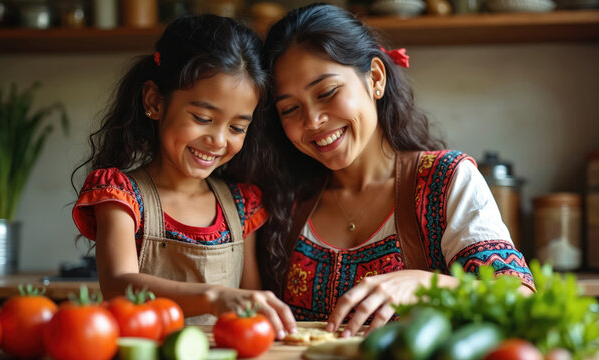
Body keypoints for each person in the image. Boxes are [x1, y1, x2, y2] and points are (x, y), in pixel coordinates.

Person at [257, 3, 535, 337]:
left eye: (327, 92)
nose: (313, 121)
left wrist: (425, 285)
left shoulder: (445, 181)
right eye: (290, 109)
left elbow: (519, 300)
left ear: (375, 78)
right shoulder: (283, 200)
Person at [71, 14, 296, 337]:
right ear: (154, 101)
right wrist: (213, 296)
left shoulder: (242, 204)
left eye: (236, 127)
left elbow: (250, 304)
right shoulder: (121, 195)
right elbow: (119, 285)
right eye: (203, 118)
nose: (219, 140)